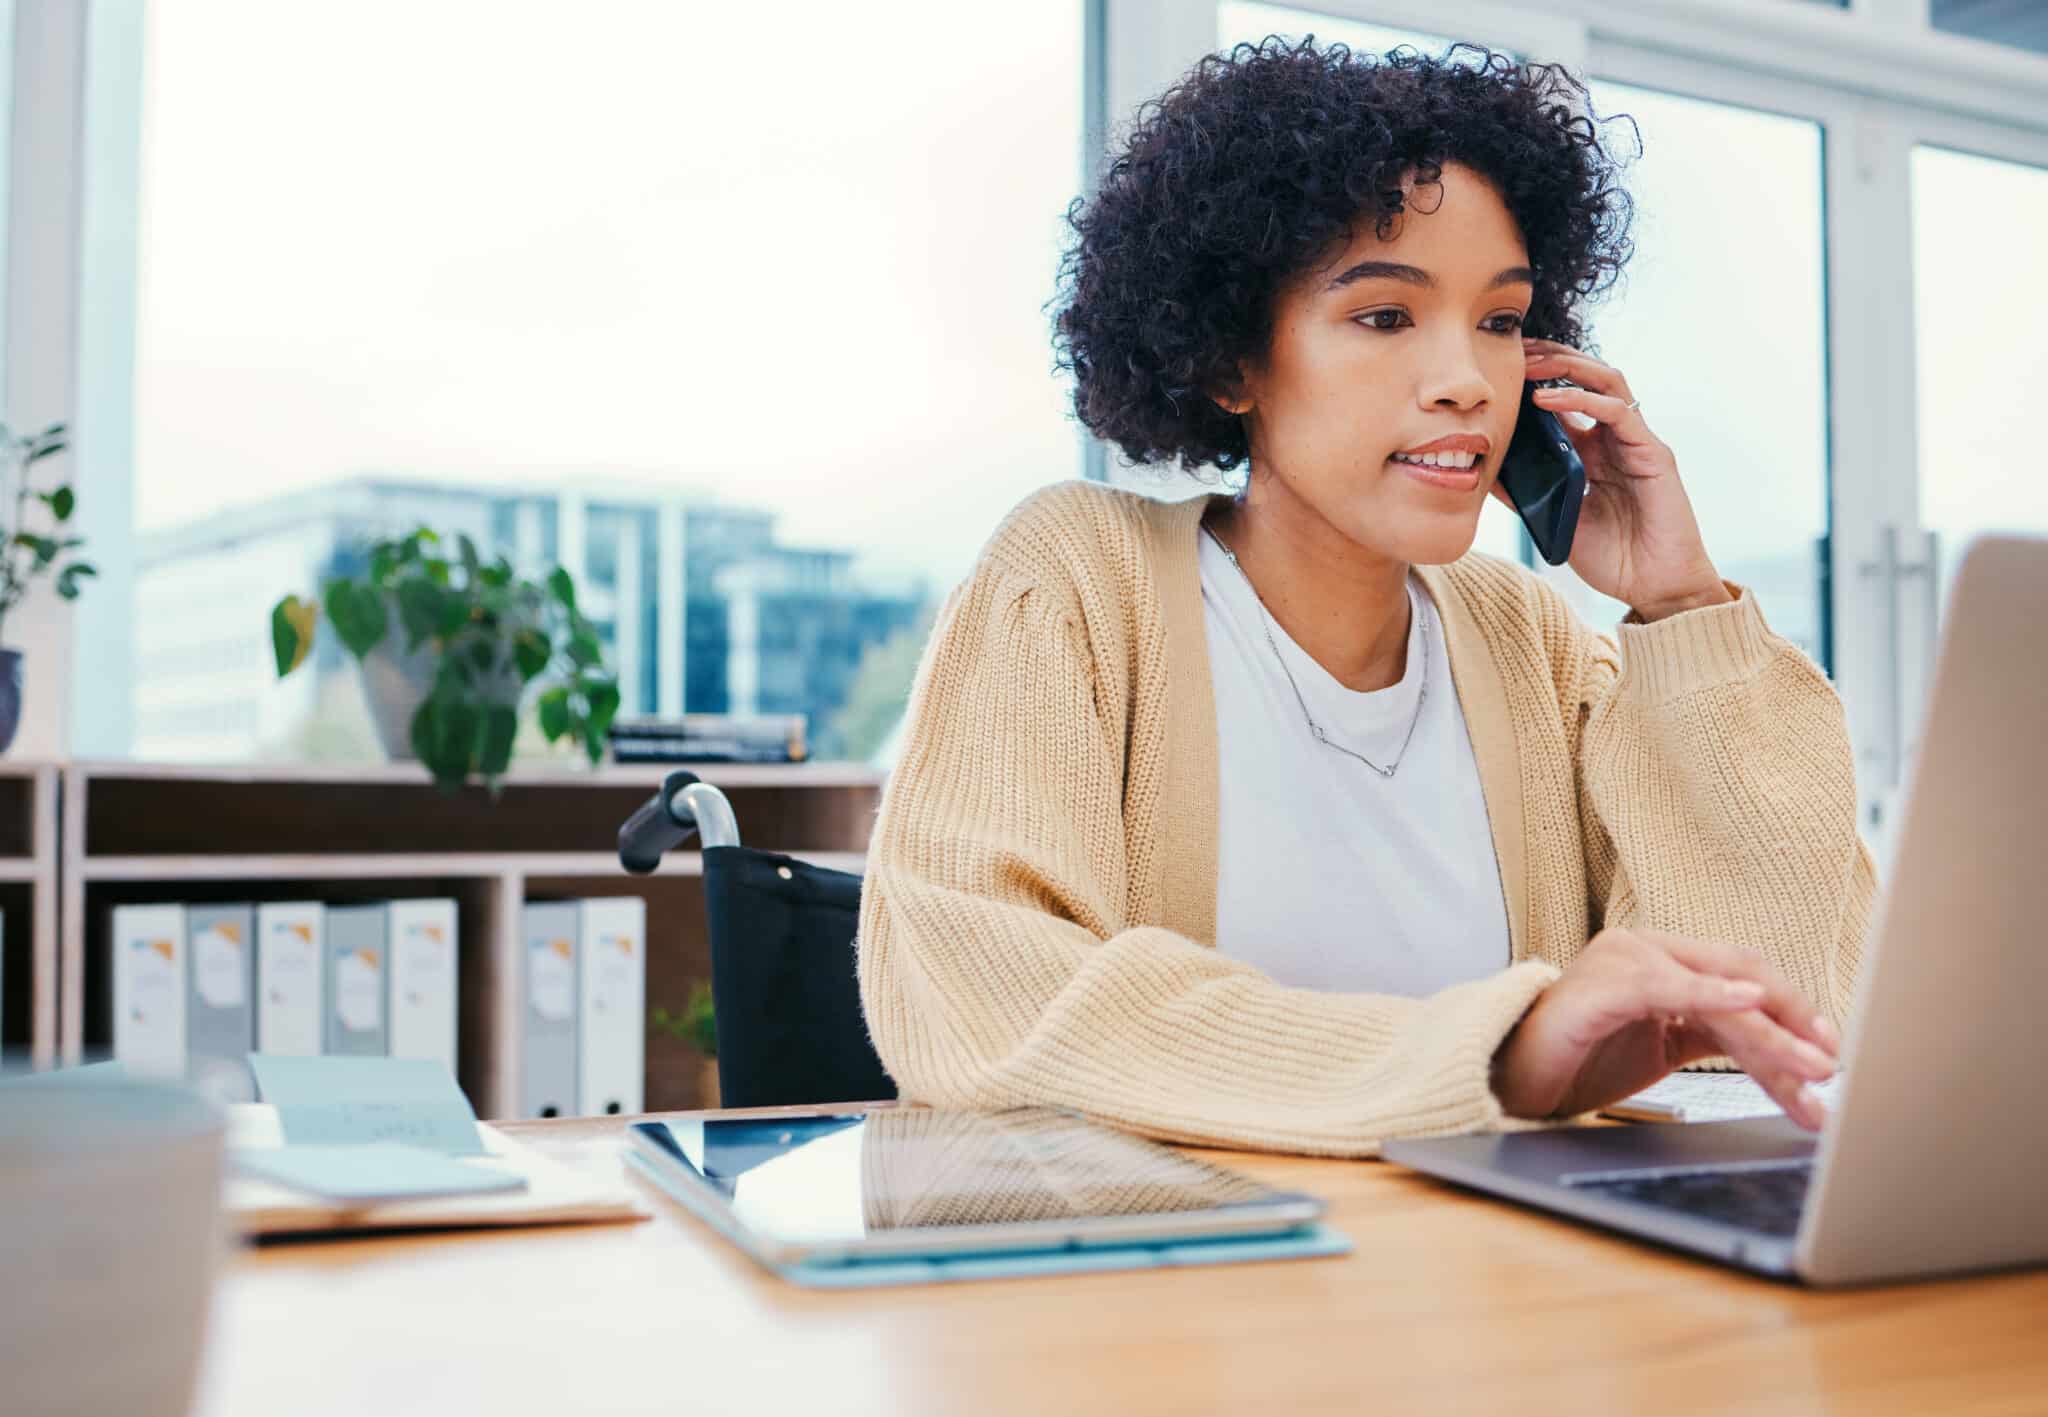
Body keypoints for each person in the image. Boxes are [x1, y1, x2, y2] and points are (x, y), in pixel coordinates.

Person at [855, 38, 1873, 1157]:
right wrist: (1495, 1055)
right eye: (1385, 318)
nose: (1466, 381)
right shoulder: (1072, 583)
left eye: (1497, 322)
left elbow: (1756, 1014)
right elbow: (986, 1006)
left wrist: (1678, 606)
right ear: (1228, 362)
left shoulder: (1528, 643)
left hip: (1491, 1288)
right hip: (1172, 1299)